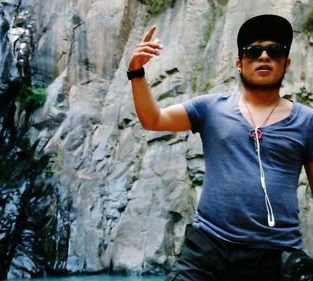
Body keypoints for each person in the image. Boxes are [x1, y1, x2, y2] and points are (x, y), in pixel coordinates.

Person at [127, 14, 313, 281]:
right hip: (208, 249)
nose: (264, 56)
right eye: (253, 51)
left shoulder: (307, 121)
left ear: (286, 63)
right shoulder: (211, 108)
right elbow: (153, 119)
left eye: (274, 50)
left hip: (275, 254)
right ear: (239, 63)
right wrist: (136, 72)